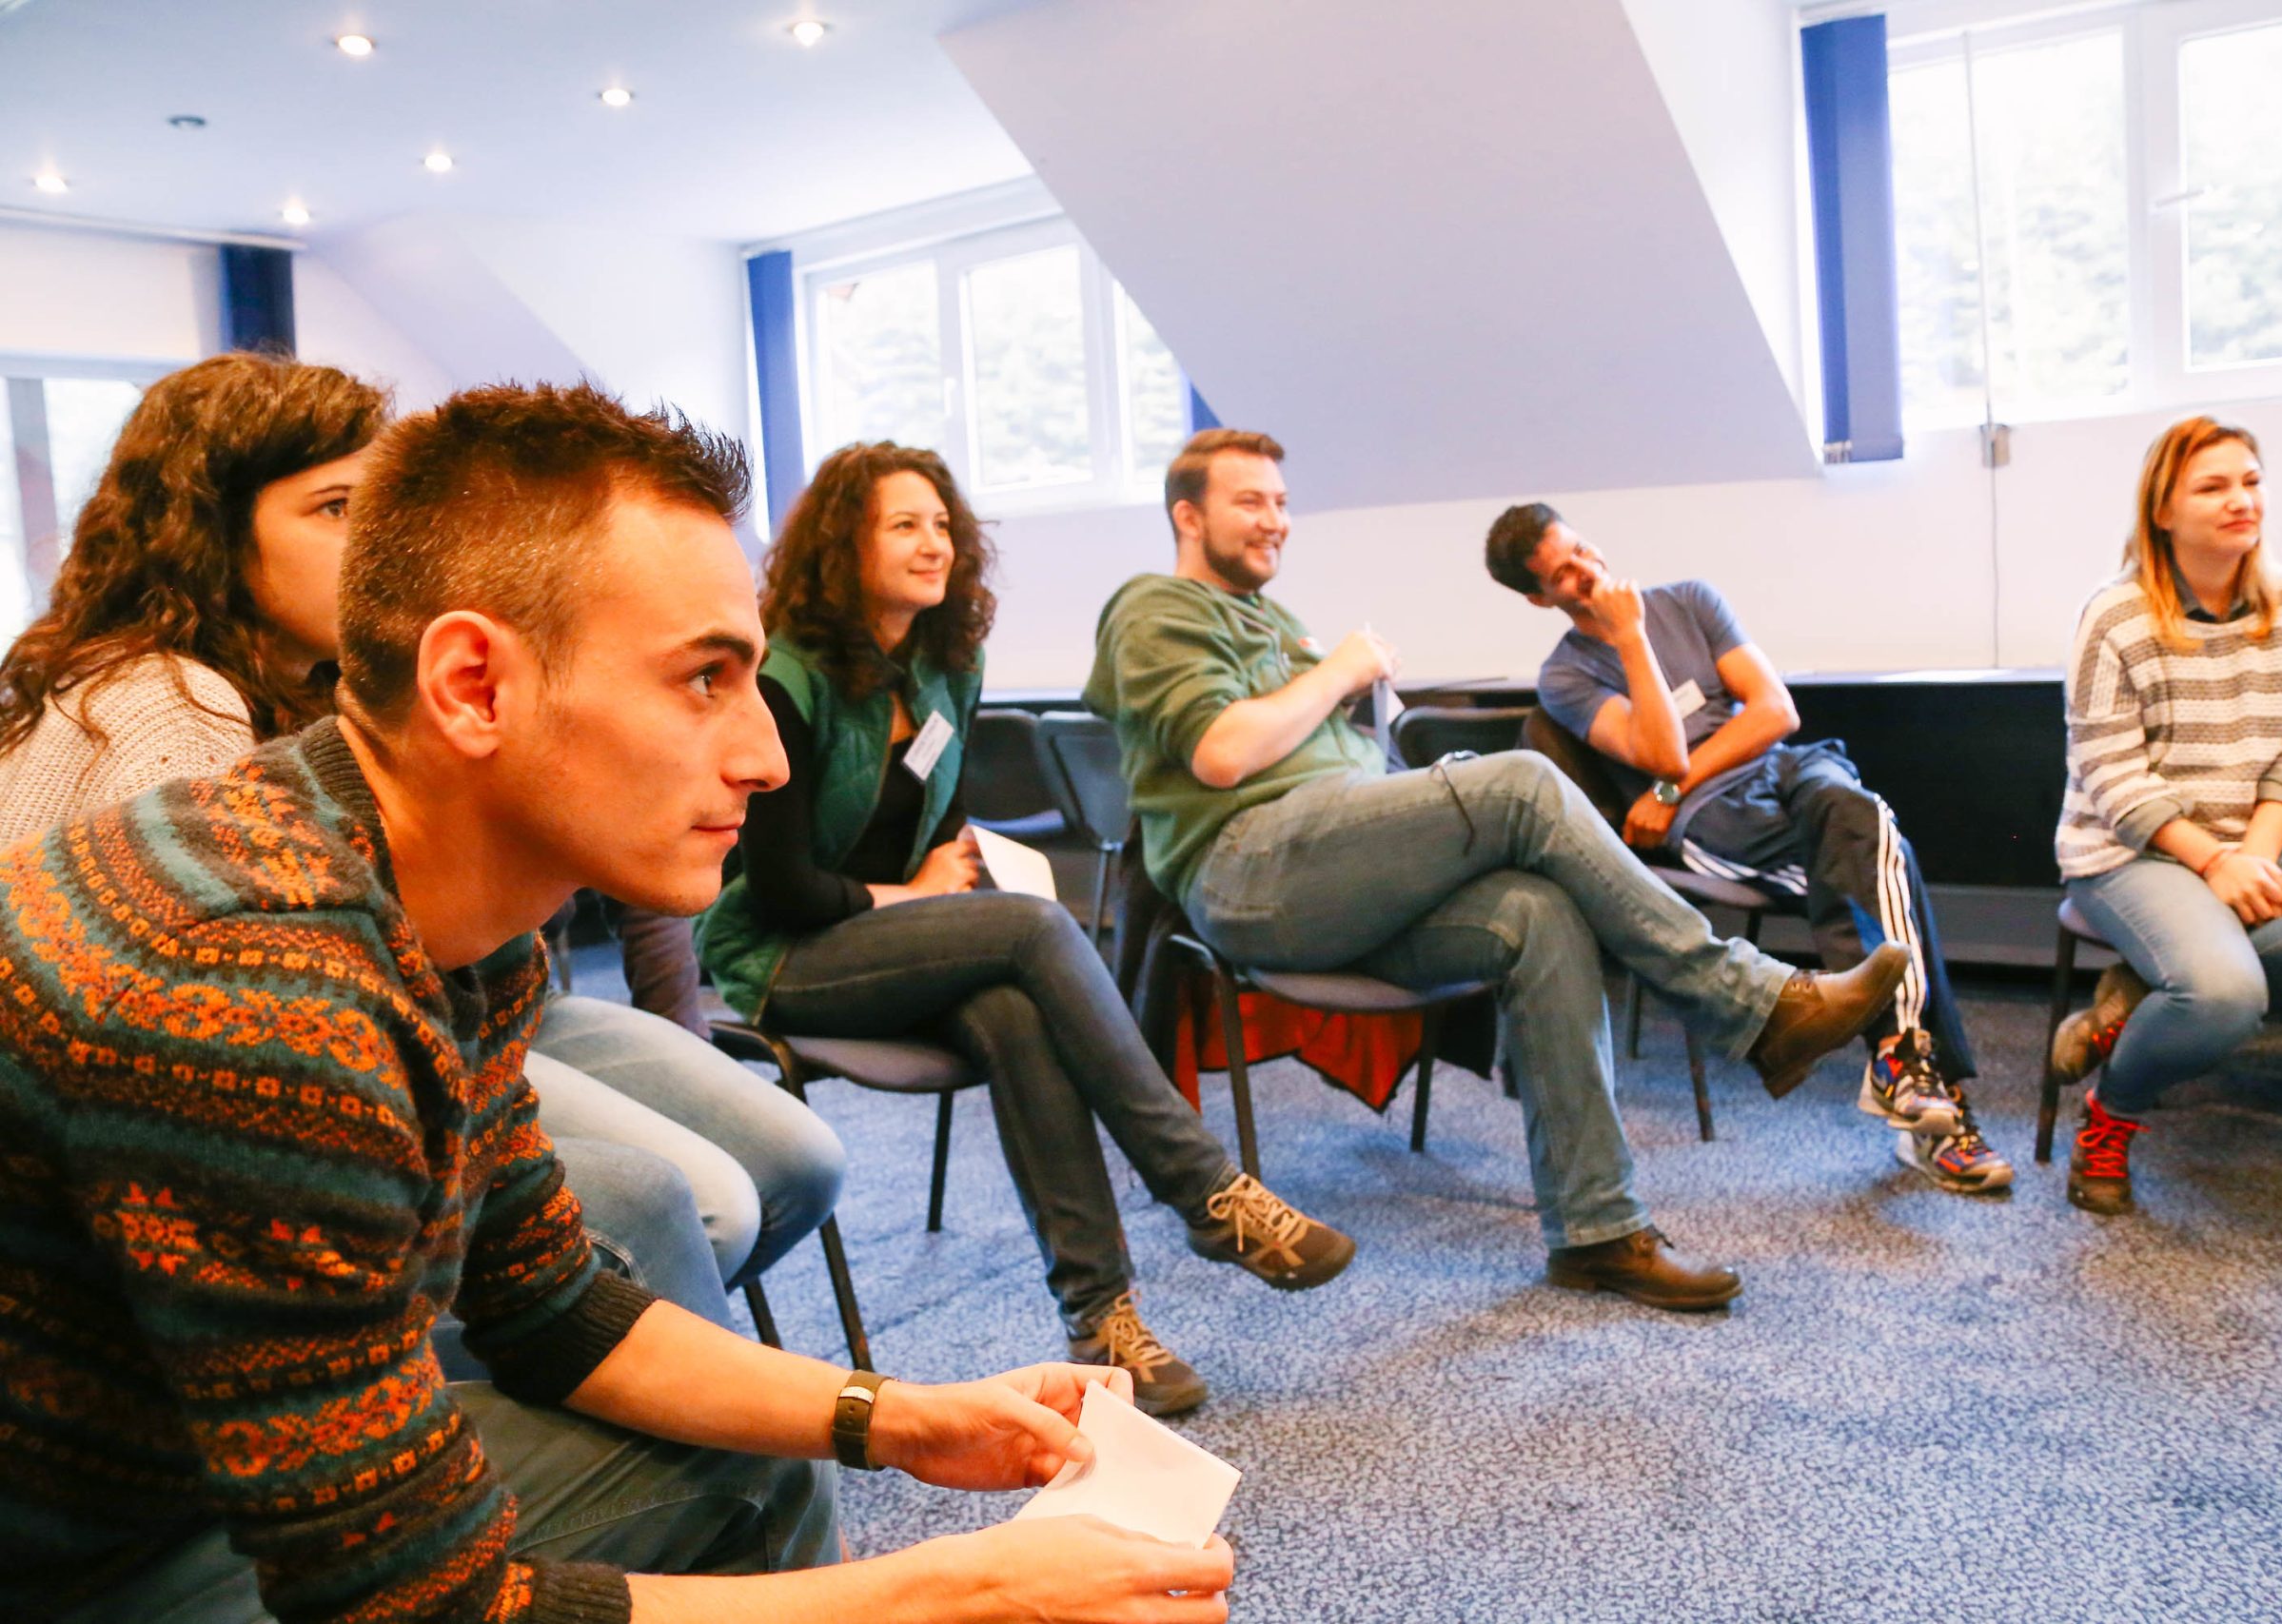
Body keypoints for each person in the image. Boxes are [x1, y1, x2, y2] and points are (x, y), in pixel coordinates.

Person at [0, 382, 1234, 1623]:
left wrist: (900, 1415)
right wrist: (957, 1588)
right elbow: (413, 1606)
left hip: (164, 1482)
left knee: (755, 1461)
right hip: (82, 1566)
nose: (764, 756)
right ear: (474, 686)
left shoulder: (432, 902)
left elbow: (549, 1300)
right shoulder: (264, 991)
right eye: (703, 678)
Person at [0, 352, 840, 1302]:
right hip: (292, 1058)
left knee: (791, 1155)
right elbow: (238, 1031)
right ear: (211, 532)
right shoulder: (169, 706)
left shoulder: (332, 684)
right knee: (677, 1201)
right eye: (336, 508)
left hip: (439, 999)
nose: (375, 539)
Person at [1085, 428, 1913, 1310]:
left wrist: (1338, 689)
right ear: (1188, 516)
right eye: (1249, 501)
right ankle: (1755, 1003)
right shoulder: (1152, 606)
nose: (1274, 520)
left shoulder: (1274, 621)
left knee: (1537, 915)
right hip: (1251, 867)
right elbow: (1220, 754)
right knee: (1523, 782)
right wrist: (1341, 671)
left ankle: (1597, 1231)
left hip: (1334, 868)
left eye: (1282, 502)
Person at [697, 440, 1354, 1416]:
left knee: (1012, 1010)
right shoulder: (785, 680)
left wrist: (936, 880)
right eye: (904, 525)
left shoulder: (943, 668)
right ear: (844, 543)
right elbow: (783, 889)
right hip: (784, 953)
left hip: (899, 939)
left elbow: (943, 814)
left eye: (942, 524)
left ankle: (1101, 1320)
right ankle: (1209, 1190)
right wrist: (921, 895)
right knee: (1033, 931)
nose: (935, 544)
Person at [1482, 502, 2013, 1195]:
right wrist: (1631, 637)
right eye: (1564, 574)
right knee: (1883, 859)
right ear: (1539, 598)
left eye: (1581, 549)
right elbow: (1663, 752)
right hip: (1712, 818)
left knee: (1860, 816)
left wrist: (1667, 790)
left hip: (1783, 768)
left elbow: (1775, 710)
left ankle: (1902, 1064)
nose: (1587, 571)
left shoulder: (1691, 599)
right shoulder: (1566, 678)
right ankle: (1919, 1081)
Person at [2049, 416, 2282, 1213]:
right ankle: (2111, 1113)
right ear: (2163, 510)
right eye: (2213, 487)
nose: (2241, 500)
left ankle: (2151, 999)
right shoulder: (2114, 616)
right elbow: (2112, 773)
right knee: (2222, 994)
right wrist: (2214, 861)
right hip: (2133, 849)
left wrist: (2253, 852)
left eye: (2251, 482)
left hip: (2272, 832)